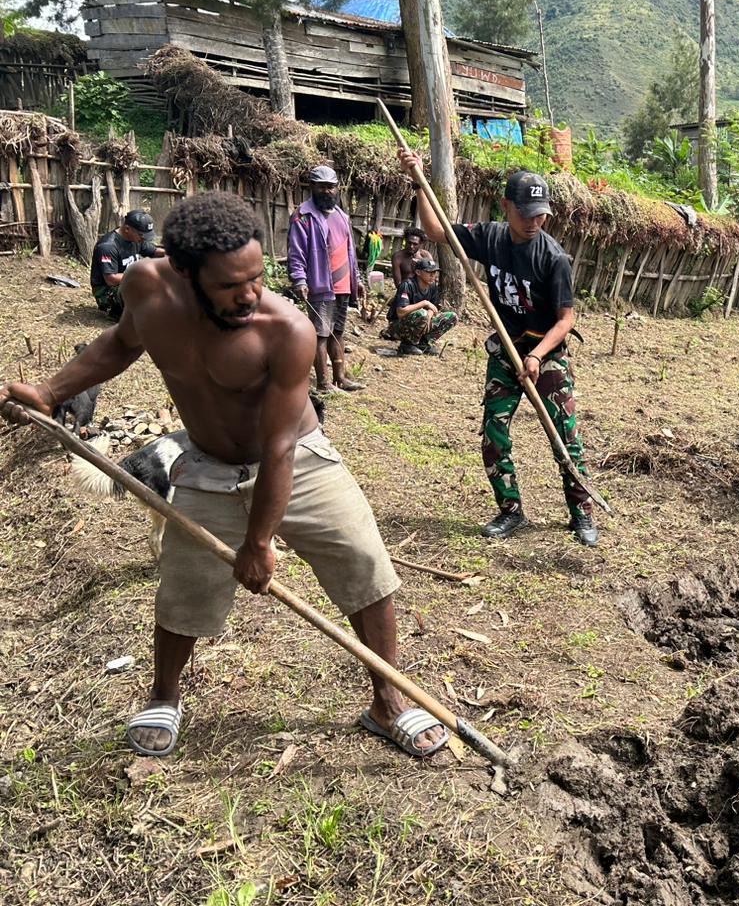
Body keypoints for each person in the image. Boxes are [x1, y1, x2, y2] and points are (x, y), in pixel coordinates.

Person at [0, 192, 447, 761]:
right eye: (231, 284)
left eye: (257, 277)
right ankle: (164, 695)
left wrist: (259, 542)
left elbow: (280, 446)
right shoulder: (145, 288)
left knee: (362, 558)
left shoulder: (284, 329)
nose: (250, 294)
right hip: (207, 461)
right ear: (183, 272)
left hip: (295, 458)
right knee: (184, 586)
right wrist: (50, 392)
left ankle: (388, 699)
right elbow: (119, 343)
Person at [398, 149, 599, 547]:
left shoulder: (553, 257)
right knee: (493, 432)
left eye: (541, 214)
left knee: (565, 435)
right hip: (506, 355)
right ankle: (510, 512)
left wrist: (539, 355)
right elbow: (437, 232)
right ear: (506, 206)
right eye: (526, 213)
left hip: (547, 355)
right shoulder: (489, 237)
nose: (534, 222)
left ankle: (581, 514)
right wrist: (419, 179)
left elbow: (566, 319)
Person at [288, 165, 364, 393]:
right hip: (320, 285)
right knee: (320, 333)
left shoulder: (341, 215)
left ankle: (340, 378)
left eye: (331, 187)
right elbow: (296, 252)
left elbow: (350, 252)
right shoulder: (303, 216)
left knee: (337, 332)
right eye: (322, 187)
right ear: (312, 187)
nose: (327, 192)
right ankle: (323, 383)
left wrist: (357, 280)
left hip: (342, 286)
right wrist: (299, 280)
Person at [91, 210, 163, 321]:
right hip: (107, 291)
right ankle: (117, 312)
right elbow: (111, 279)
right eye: (141, 235)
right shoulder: (108, 246)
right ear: (127, 229)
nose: (143, 239)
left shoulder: (136, 239)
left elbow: (154, 251)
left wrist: (175, 254)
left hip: (128, 282)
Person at [388, 255, 458, 356]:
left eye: (434, 272)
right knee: (422, 313)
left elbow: (434, 307)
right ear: (418, 272)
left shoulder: (432, 287)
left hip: (422, 322)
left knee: (452, 317)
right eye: (429, 272)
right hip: (398, 326)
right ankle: (407, 344)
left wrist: (429, 315)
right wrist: (424, 303)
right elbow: (401, 312)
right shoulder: (407, 285)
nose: (433, 275)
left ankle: (423, 343)